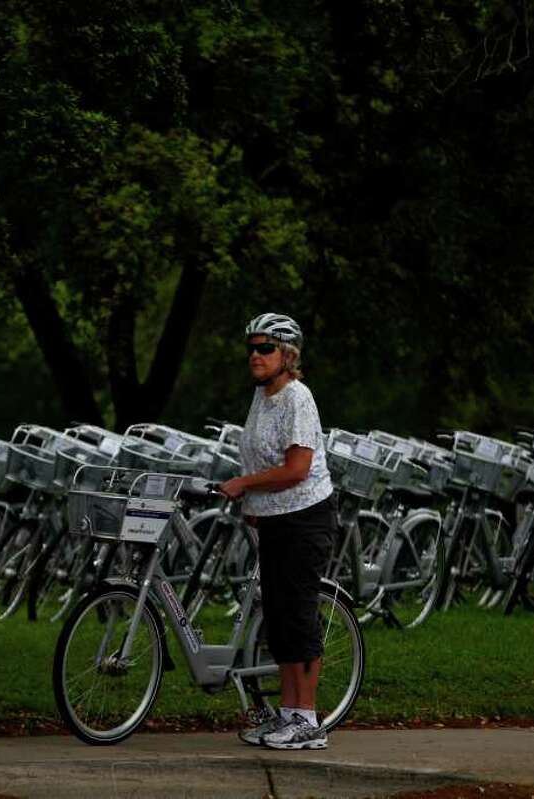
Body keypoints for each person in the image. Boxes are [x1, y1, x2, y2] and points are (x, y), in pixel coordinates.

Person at [219, 312, 335, 751]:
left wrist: (245, 486)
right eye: (251, 347)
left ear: (288, 355)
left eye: (265, 348)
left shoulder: (296, 398)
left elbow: (297, 469)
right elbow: (259, 456)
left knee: (298, 616)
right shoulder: (262, 397)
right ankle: (286, 715)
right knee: (279, 620)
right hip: (274, 518)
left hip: (305, 517)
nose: (255, 355)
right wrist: (253, 503)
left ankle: (308, 720)